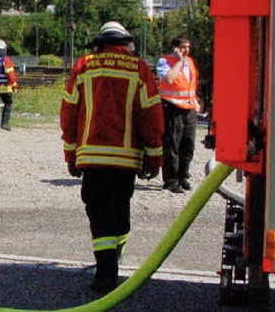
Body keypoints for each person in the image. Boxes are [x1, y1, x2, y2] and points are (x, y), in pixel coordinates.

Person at [60, 21, 164, 295]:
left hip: (92, 156)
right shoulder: (139, 68)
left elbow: (69, 111)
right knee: (120, 210)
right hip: (127, 159)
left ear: (100, 42)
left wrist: (70, 153)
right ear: (125, 42)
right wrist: (154, 156)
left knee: (99, 214)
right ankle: (113, 262)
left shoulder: (84, 65)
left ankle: (106, 275)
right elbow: (151, 114)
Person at [157, 35, 200, 193]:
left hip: (189, 108)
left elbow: (190, 85)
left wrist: (196, 101)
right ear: (175, 48)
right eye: (183, 47)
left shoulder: (190, 62)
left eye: (188, 47)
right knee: (172, 146)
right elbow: (168, 80)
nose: (186, 50)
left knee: (188, 145)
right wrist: (179, 62)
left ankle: (183, 176)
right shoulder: (165, 61)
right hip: (172, 108)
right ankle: (171, 180)